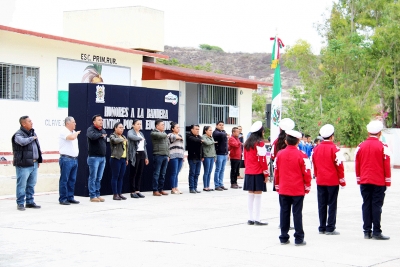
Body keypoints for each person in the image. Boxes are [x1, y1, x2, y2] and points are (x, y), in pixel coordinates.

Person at [274, 130, 312, 246]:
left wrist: (277, 185)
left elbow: (276, 171)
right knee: (297, 213)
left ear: (286, 141)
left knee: (284, 212)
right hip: (297, 189)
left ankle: (283, 237)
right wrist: (307, 186)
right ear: (298, 141)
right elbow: (307, 172)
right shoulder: (302, 155)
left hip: (284, 188)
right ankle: (299, 238)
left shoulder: (279, 154)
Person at [355, 120, 391, 240]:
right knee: (376, 205)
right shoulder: (383, 146)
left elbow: (357, 163)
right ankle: (376, 231)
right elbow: (386, 164)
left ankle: (366, 231)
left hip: (365, 180)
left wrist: (359, 178)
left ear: (368, 133)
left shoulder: (361, 146)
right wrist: (388, 181)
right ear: (379, 133)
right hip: (378, 181)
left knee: (366, 204)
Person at [312, 124, 345, 235]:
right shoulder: (335, 149)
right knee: (332, 203)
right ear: (332, 137)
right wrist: (342, 180)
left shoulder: (316, 148)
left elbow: (314, 164)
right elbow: (339, 166)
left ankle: (322, 227)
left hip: (320, 180)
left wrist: (316, 175)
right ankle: (330, 227)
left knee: (321, 204)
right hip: (332, 180)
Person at [12, 116, 42, 211]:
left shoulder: (32, 133)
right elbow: (22, 142)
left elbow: (37, 147)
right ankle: (20, 203)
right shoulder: (18, 134)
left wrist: (38, 159)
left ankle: (30, 202)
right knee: (22, 184)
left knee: (31, 184)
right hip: (23, 164)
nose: (31, 122)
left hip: (33, 163)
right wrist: (32, 138)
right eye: (29, 121)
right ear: (23, 123)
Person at [243, 121, 269, 226]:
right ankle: (257, 219)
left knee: (250, 194)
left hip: (249, 171)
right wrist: (266, 173)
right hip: (258, 171)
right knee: (258, 194)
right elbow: (262, 159)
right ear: (260, 132)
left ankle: (250, 218)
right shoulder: (260, 143)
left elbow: (245, 158)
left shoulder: (247, 143)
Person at [58, 116, 80, 205]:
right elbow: (71, 138)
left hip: (74, 159)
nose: (75, 124)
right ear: (68, 123)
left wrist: (75, 133)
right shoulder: (64, 131)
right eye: (73, 122)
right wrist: (77, 133)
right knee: (64, 180)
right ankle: (63, 198)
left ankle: (70, 197)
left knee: (72, 180)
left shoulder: (73, 132)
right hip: (66, 159)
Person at [87, 114, 107, 202]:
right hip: (93, 157)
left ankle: (97, 194)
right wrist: (101, 135)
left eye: (101, 120)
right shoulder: (90, 129)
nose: (101, 121)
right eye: (99, 120)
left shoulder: (102, 130)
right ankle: (92, 196)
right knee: (93, 177)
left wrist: (101, 134)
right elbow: (92, 136)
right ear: (94, 122)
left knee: (99, 178)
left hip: (102, 157)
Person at [127, 119, 149, 199]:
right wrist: (139, 139)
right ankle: (132, 191)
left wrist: (146, 157)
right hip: (134, 154)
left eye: (140, 124)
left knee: (139, 173)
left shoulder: (141, 133)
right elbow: (130, 137)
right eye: (138, 124)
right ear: (133, 125)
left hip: (142, 154)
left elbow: (144, 146)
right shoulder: (131, 132)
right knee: (133, 173)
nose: (139, 125)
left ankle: (137, 190)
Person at [109, 122, 128, 201]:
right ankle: (115, 194)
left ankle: (120, 193)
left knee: (121, 177)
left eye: (122, 128)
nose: (122, 129)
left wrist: (127, 159)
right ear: (115, 128)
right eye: (120, 127)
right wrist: (122, 140)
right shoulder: (113, 135)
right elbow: (114, 140)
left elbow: (127, 148)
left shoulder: (123, 136)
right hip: (115, 158)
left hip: (123, 159)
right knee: (115, 176)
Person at [150, 119, 170, 196]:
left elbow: (168, 145)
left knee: (163, 174)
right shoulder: (154, 133)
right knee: (157, 173)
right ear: (157, 126)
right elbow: (160, 136)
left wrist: (168, 155)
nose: (163, 126)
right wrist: (166, 135)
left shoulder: (164, 133)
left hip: (165, 155)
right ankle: (155, 190)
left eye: (164, 125)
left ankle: (160, 189)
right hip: (158, 155)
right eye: (162, 125)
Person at [167, 122, 184, 194]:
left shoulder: (180, 135)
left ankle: (176, 187)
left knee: (177, 173)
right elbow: (173, 138)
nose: (178, 129)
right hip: (173, 156)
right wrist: (179, 137)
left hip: (180, 155)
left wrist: (183, 156)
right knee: (173, 173)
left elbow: (182, 146)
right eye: (177, 127)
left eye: (179, 127)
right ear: (172, 129)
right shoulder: (170, 135)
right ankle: (173, 188)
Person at [213, 121, 229, 191]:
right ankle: (217, 185)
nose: (221, 126)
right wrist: (225, 134)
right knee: (218, 170)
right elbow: (222, 135)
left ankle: (221, 184)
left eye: (222, 125)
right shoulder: (215, 132)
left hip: (224, 153)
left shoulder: (223, 132)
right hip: (219, 153)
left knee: (222, 170)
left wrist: (227, 153)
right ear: (216, 126)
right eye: (220, 125)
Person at [187, 124, 203, 193]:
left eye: (198, 129)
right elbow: (195, 140)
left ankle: (195, 187)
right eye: (196, 129)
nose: (197, 131)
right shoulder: (189, 136)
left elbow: (201, 147)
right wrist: (200, 140)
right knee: (192, 173)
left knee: (197, 173)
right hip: (192, 157)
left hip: (199, 158)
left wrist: (202, 156)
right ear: (192, 130)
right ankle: (191, 188)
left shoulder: (199, 137)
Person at [202, 126, 216, 192]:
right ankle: (205, 186)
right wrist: (213, 142)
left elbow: (213, 148)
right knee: (206, 171)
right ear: (205, 131)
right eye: (210, 130)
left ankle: (208, 186)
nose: (211, 131)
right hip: (206, 156)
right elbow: (207, 143)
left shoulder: (211, 137)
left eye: (211, 130)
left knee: (210, 172)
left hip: (212, 156)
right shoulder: (203, 137)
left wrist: (215, 156)